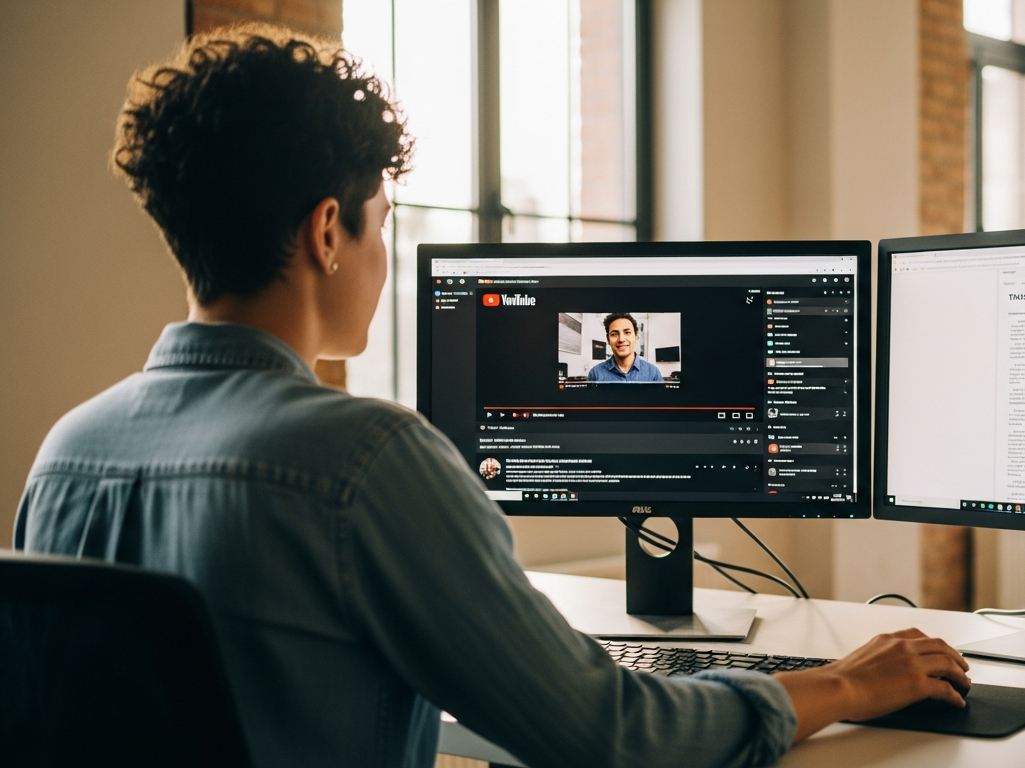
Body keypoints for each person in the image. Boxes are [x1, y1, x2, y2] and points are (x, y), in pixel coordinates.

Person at [12, 24, 970, 768]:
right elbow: (608, 736)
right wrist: (839, 685)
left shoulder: (65, 453)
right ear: (326, 232)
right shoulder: (365, 463)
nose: (386, 260)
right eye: (382, 224)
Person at [587, 312, 664, 382]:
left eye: (627, 332)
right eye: (614, 334)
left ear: (636, 336)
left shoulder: (653, 373)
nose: (621, 339)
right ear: (608, 340)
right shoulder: (595, 374)